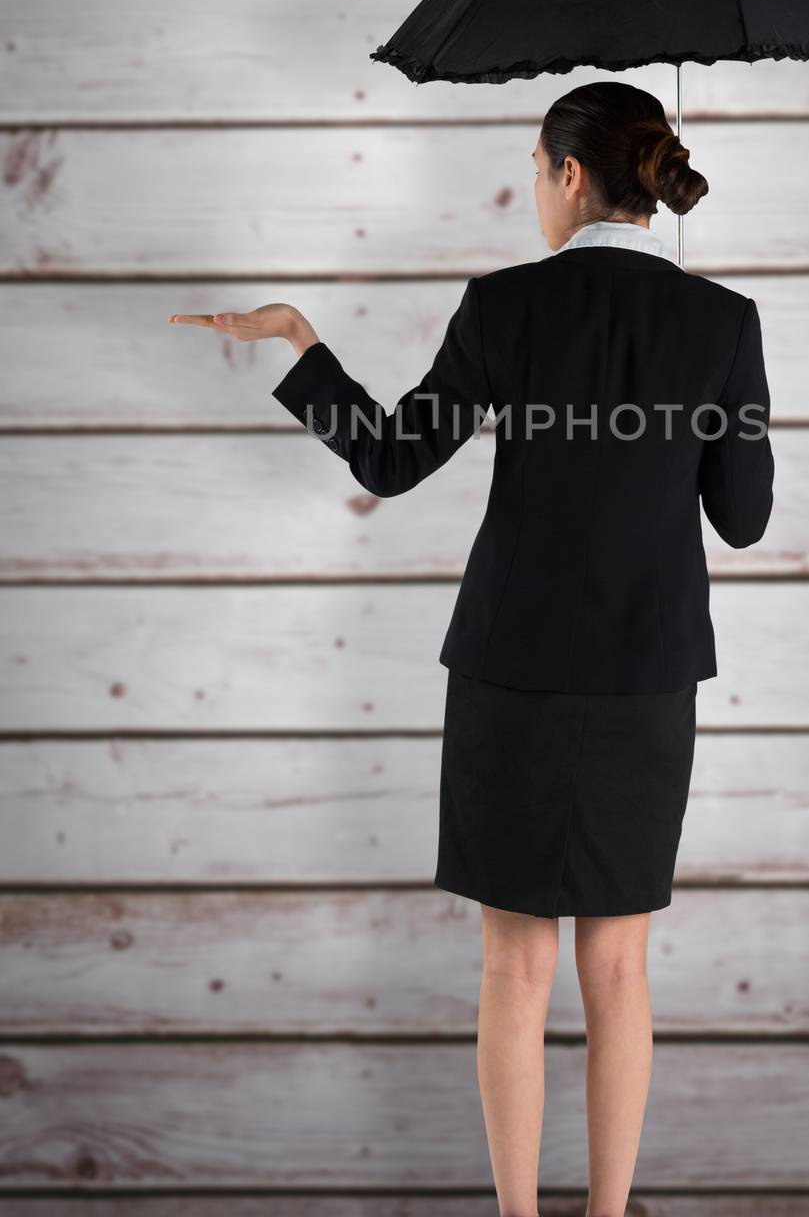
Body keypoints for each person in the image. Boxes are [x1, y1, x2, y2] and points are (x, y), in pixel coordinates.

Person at [170, 78, 774, 1217]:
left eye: (532, 170)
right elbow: (743, 517)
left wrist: (303, 345)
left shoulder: (503, 307)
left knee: (513, 968)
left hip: (511, 675)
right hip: (647, 681)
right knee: (620, 968)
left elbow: (392, 460)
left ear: (567, 175)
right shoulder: (723, 323)